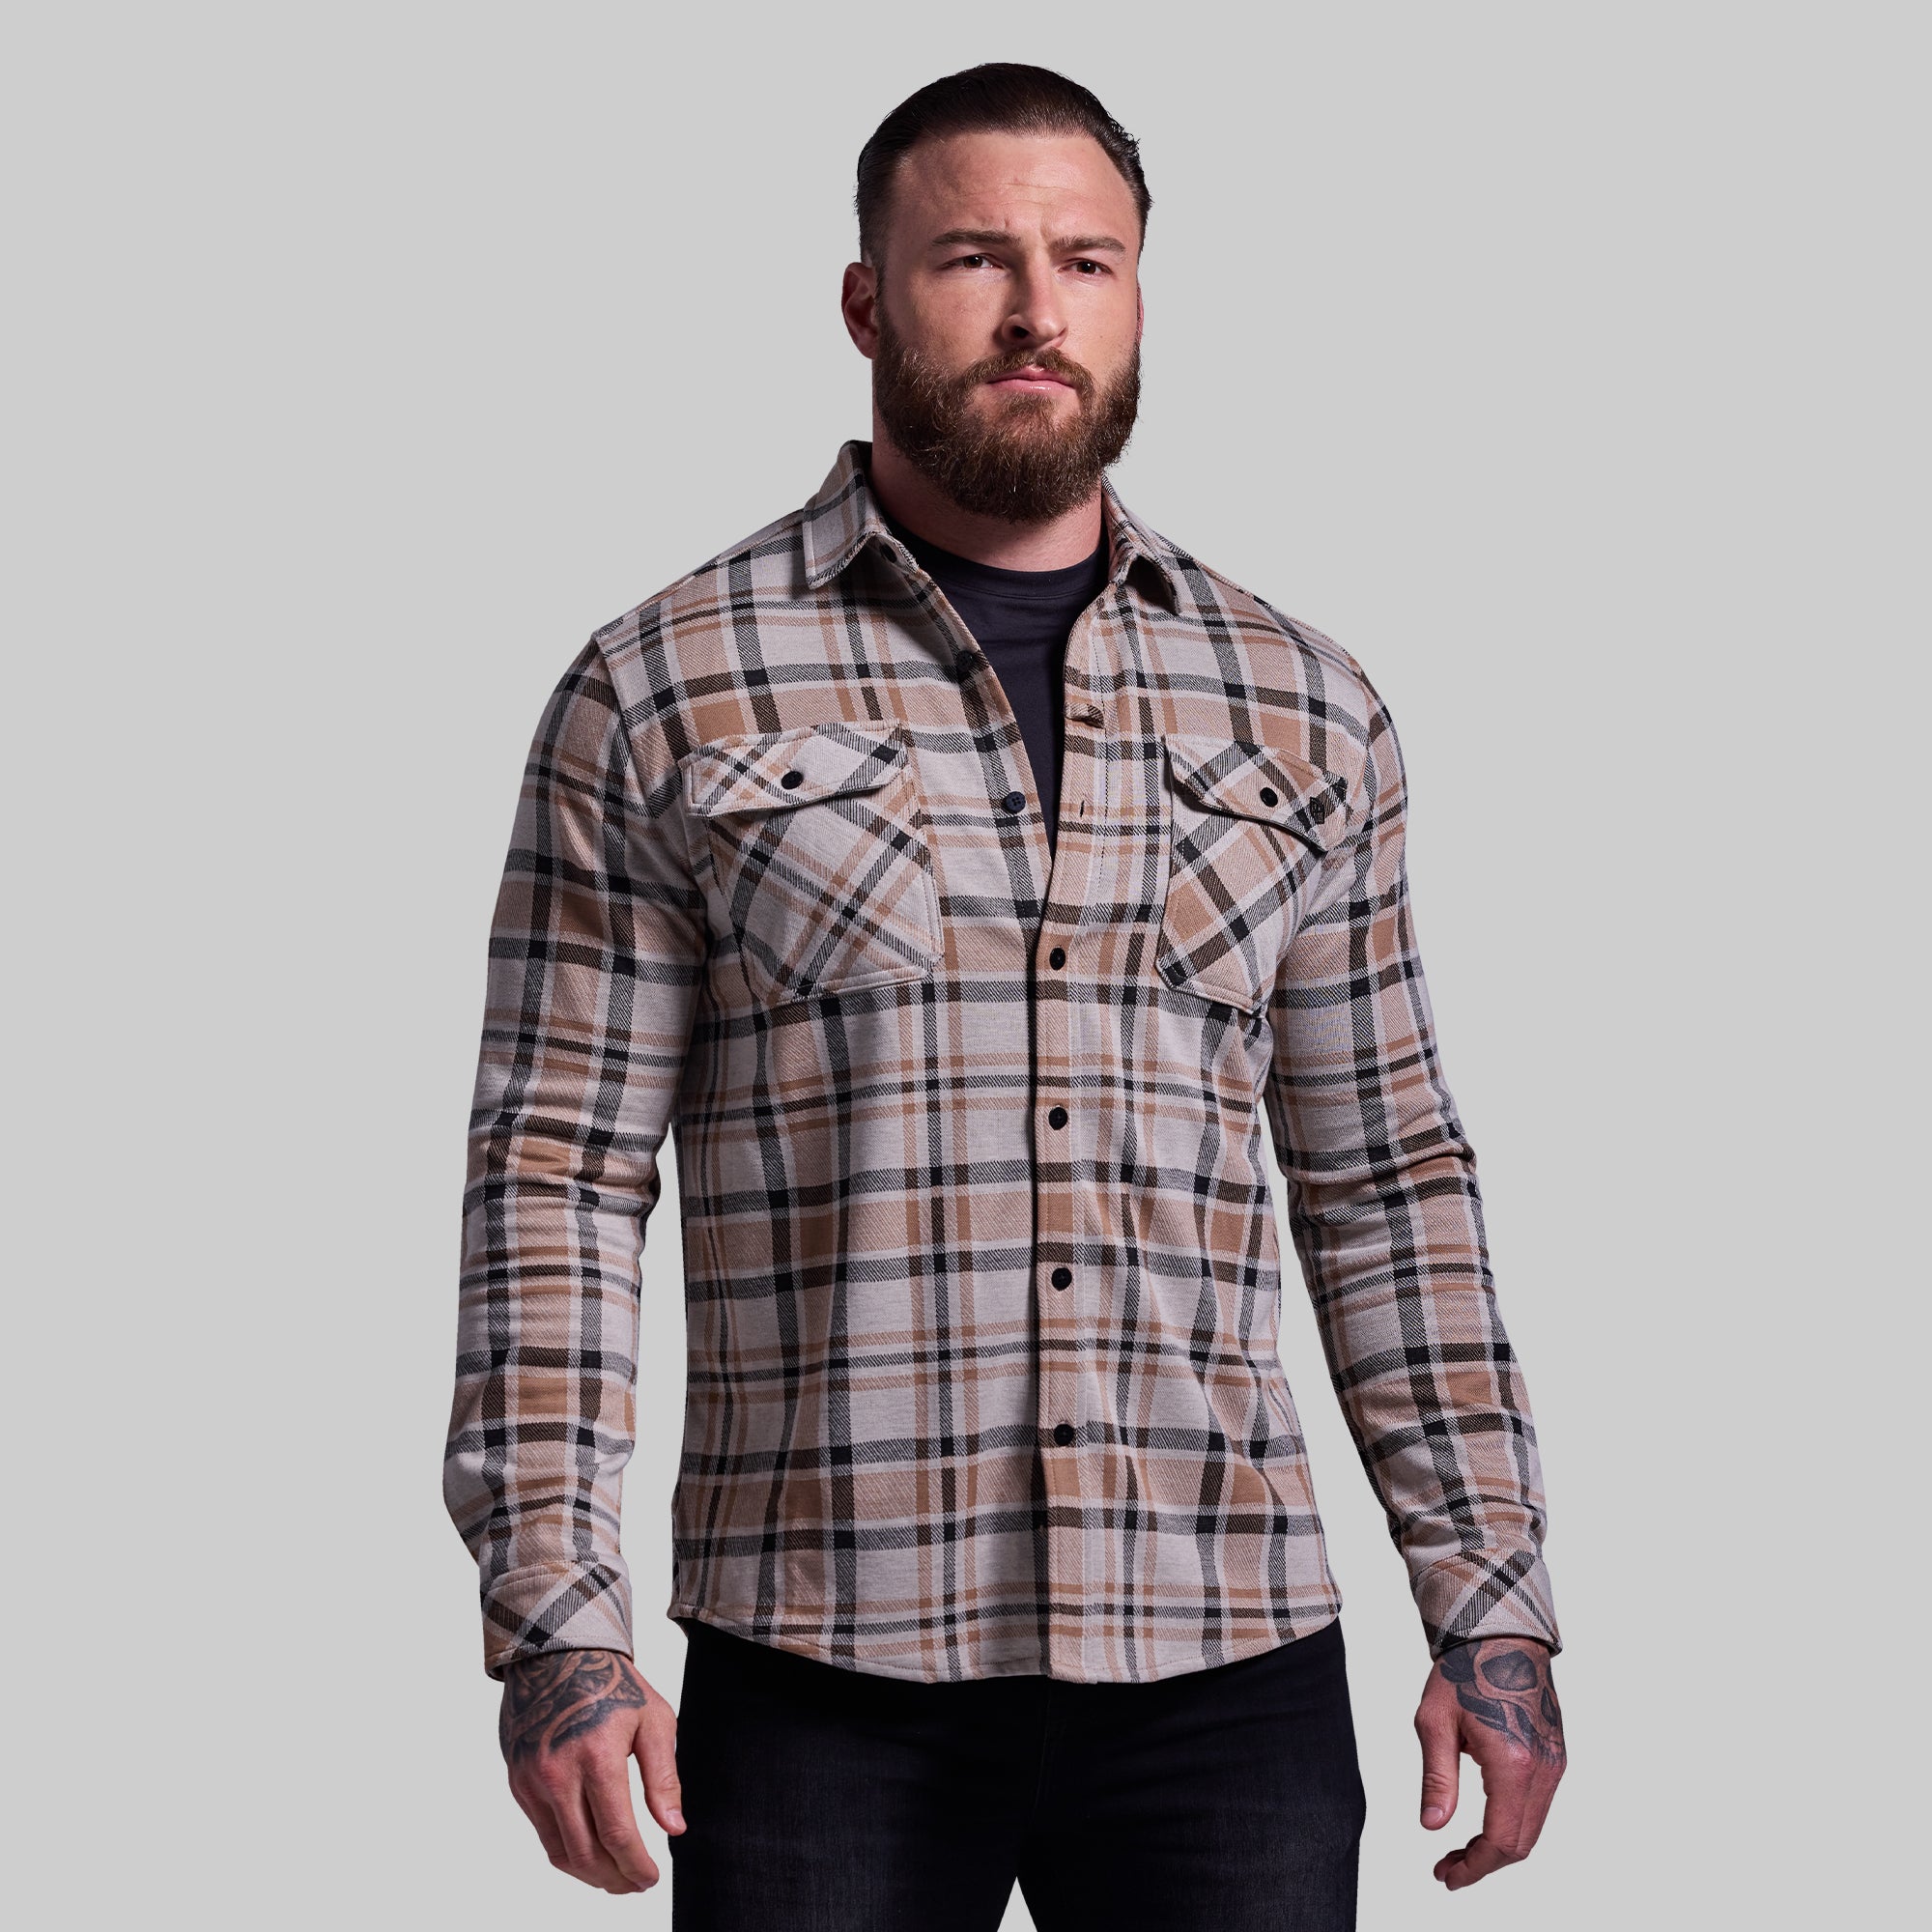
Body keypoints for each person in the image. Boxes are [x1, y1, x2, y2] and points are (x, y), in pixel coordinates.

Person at [442, 61, 1566, 1931]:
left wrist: (1490, 1603)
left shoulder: (1307, 704)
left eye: (1087, 262)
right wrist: (559, 1620)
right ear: (867, 302)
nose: (1039, 311)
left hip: (1228, 1665)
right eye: (974, 259)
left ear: (1138, 297)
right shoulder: (661, 686)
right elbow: (555, 1176)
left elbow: (1386, 1182)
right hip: (822, 1666)